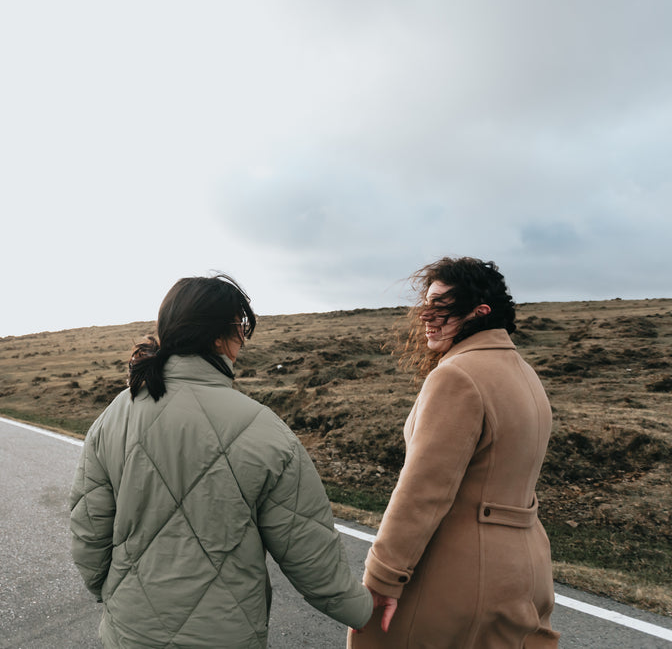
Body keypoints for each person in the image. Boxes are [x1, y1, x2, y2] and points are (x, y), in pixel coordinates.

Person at [70, 274, 372, 648]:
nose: (243, 339)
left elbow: (88, 529)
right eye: (241, 327)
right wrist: (362, 611)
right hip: (225, 634)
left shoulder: (117, 412)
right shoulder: (266, 430)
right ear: (218, 338)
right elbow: (308, 551)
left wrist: (109, 592)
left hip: (129, 630)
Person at [348, 257, 559, 648]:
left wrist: (382, 578)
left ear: (479, 313)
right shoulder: (525, 374)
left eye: (441, 307)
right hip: (526, 574)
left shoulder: (456, 376)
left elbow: (424, 491)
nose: (426, 317)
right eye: (426, 304)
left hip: (459, 576)